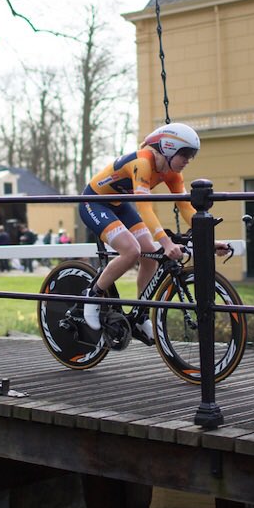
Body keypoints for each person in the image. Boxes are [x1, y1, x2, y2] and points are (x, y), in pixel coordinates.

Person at [78, 122, 228, 344]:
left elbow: (187, 208)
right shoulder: (143, 162)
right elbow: (145, 207)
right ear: (168, 148)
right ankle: (93, 295)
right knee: (131, 251)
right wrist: (166, 243)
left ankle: (140, 315)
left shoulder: (173, 173)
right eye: (185, 153)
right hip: (95, 201)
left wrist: (208, 240)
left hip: (120, 203)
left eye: (192, 155)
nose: (188, 160)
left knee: (150, 255)